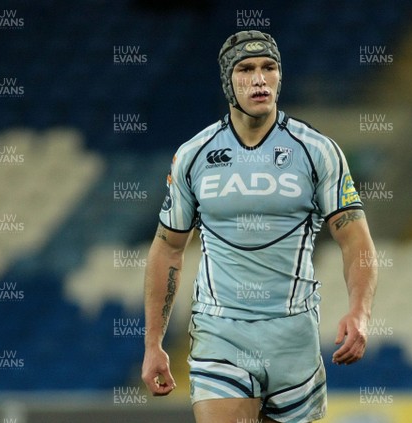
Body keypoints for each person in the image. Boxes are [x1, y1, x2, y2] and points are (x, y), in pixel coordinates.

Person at [141, 30, 378, 423]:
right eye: (246, 69)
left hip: (294, 336)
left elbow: (356, 240)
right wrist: (153, 343)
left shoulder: (318, 151)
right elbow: (167, 249)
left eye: (269, 68)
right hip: (221, 331)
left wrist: (360, 312)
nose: (259, 79)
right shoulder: (192, 156)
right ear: (227, 82)